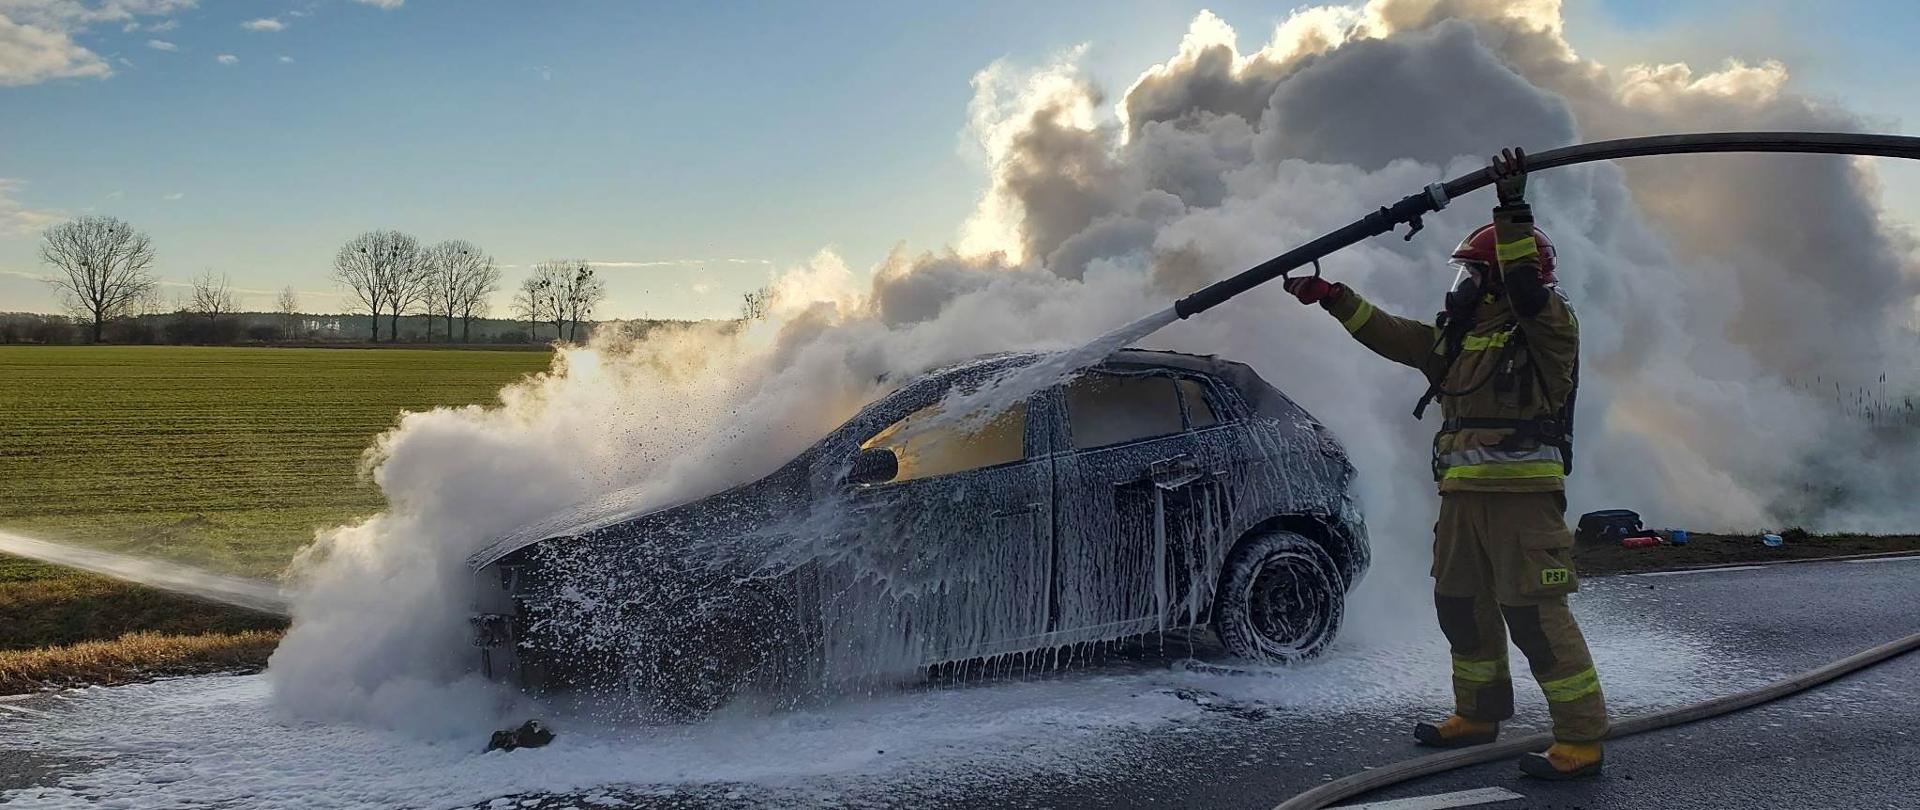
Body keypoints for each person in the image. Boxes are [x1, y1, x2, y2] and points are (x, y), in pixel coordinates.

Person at [1280, 148, 1608, 780]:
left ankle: (1581, 739)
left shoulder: (1547, 327)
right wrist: (1330, 295)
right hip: (1460, 501)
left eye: (1470, 275)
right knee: (1460, 605)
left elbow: (1524, 288)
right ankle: (1478, 713)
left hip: (1522, 506)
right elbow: (1390, 333)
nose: (1460, 286)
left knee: (1535, 619)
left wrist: (1511, 210)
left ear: (1499, 279)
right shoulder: (1456, 339)